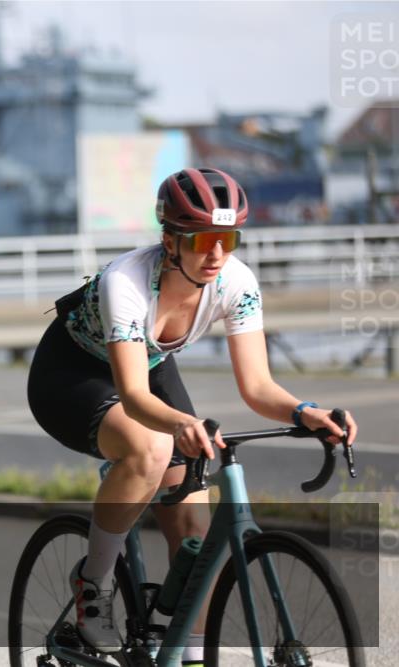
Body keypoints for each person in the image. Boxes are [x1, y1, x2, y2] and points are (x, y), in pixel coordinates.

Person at [26, 168, 358, 665]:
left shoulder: (237, 282)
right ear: (170, 240)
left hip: (151, 363)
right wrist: (178, 423)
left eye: (228, 238)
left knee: (197, 530)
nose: (217, 254)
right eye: (204, 239)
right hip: (70, 374)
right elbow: (135, 396)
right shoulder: (127, 282)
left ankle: (188, 650)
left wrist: (305, 411)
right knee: (150, 447)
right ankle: (92, 587)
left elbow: (257, 386)